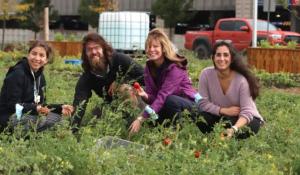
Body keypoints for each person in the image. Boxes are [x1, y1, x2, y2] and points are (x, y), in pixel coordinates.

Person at [129, 28, 202, 134]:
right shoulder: (149, 67)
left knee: (169, 101)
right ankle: (165, 132)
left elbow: (163, 96)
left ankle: (177, 133)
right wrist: (144, 95)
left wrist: (141, 118)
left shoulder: (175, 67)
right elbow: (154, 98)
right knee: (149, 125)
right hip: (168, 104)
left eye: (155, 46)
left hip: (189, 106)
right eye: (148, 46)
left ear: (163, 48)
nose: (151, 49)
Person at [72, 32, 144, 130]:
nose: (93, 52)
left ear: (103, 48)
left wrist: (122, 81)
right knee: (93, 120)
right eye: (89, 49)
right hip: (113, 104)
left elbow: (144, 76)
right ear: (85, 54)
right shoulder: (88, 76)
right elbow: (79, 102)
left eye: (96, 47)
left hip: (140, 100)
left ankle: (132, 130)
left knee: (125, 90)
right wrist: (72, 129)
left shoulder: (119, 59)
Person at [0, 41, 74, 132]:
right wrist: (35, 108)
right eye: (34, 54)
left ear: (46, 60)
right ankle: (17, 138)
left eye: (41, 55)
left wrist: (60, 107)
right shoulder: (17, 73)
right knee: (40, 119)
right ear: (28, 55)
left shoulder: (40, 77)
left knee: (60, 119)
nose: (37, 58)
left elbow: (41, 106)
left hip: (30, 114)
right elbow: (12, 105)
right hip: (10, 116)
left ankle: (33, 136)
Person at [197, 41, 264, 139]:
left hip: (243, 118)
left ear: (231, 58)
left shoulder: (241, 80)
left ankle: (228, 135)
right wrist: (223, 110)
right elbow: (202, 103)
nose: (222, 59)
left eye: (226, 55)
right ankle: (216, 137)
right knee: (201, 117)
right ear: (213, 58)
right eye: (218, 55)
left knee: (251, 126)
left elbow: (247, 112)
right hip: (221, 115)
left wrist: (234, 129)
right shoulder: (206, 74)